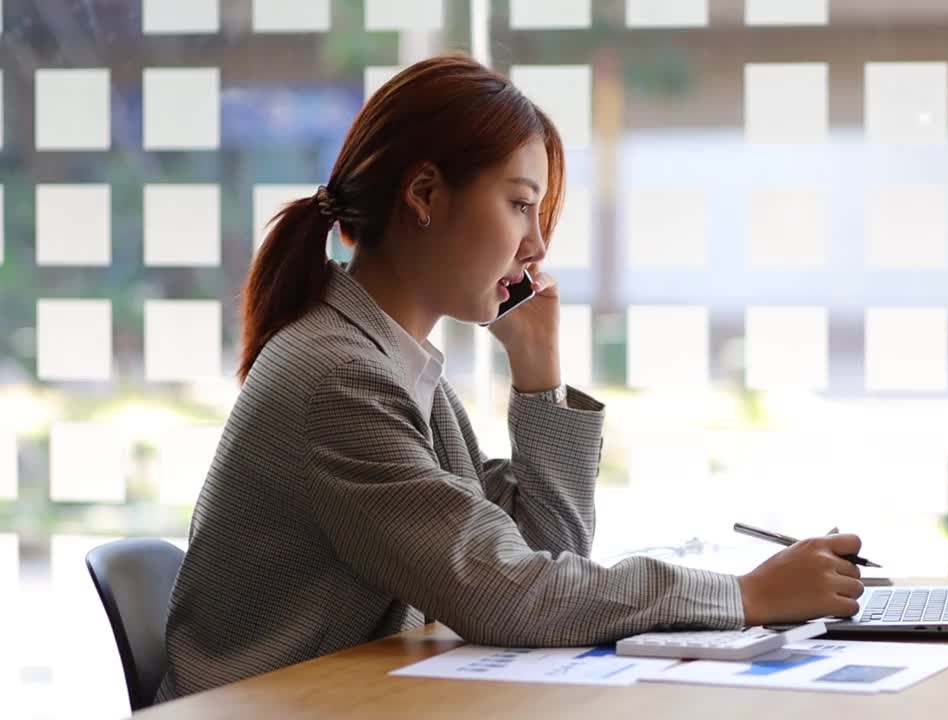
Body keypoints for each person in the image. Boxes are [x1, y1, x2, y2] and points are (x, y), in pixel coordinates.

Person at [156, 54, 864, 702]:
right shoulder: (342, 380)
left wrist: (537, 375)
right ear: (426, 194)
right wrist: (743, 596)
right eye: (521, 203)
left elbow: (540, 556)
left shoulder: (387, 359)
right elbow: (512, 595)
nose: (537, 245)